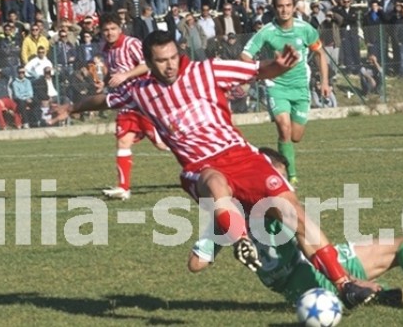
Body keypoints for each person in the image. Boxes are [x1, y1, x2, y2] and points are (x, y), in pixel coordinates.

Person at [50, 30, 377, 308]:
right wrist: (71, 107)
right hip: (199, 167)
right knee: (215, 181)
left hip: (243, 157)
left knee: (294, 214)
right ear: (148, 63)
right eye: (161, 60)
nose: (169, 64)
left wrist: (277, 65)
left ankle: (345, 285)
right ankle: (240, 239)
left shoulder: (208, 70)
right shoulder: (140, 91)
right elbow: (103, 100)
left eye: (173, 56)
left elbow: (256, 70)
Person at [187, 147, 403, 310]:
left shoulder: (227, 217)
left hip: (292, 291)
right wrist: (348, 277)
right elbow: (308, 243)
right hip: (315, 275)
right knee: (402, 245)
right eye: (277, 175)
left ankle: (388, 297)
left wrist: (218, 235)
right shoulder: (274, 204)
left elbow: (196, 265)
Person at [240, 0, 330, 185]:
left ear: (294, 7)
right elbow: (245, 56)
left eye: (288, 5)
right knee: (284, 128)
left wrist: (324, 82)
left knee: (295, 136)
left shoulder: (305, 29)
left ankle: (278, 160)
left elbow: (320, 54)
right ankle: (290, 175)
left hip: (300, 88)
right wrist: (266, 68)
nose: (284, 10)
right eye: (280, 6)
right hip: (276, 86)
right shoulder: (267, 32)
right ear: (274, 8)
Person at [98, 13, 167, 200]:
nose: (109, 33)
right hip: (126, 103)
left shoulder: (132, 44)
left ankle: (207, 162)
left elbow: (148, 65)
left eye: (113, 29)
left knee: (162, 144)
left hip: (143, 101)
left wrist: (126, 75)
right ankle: (123, 188)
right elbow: (115, 72)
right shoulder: (104, 48)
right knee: (122, 142)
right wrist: (104, 81)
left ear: (120, 29)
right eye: (105, 30)